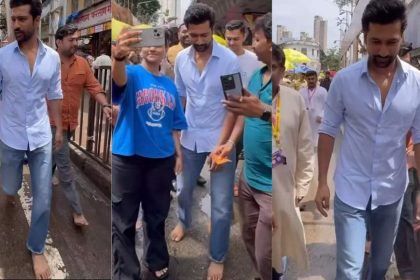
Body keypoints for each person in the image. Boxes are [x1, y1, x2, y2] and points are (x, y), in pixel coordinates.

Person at [315, 1, 420, 279]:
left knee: (380, 266)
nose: (383, 51)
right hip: (351, 189)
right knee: (350, 271)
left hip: (392, 190)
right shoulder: (344, 82)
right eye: (375, 42)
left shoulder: (416, 84)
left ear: (402, 38)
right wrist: (322, 181)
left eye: (391, 42)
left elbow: (419, 140)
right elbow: (327, 130)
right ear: (364, 37)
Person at [169, 3, 241, 280]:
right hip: (189, 138)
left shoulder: (229, 61)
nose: (199, 41)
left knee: (221, 204)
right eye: (193, 35)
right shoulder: (181, 60)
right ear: (186, 32)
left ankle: (218, 256)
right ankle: (184, 222)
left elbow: (234, 106)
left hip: (220, 141)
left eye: (204, 35)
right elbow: (180, 99)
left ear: (214, 30)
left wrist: (221, 144)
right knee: (184, 190)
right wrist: (174, 137)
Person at [112, 27, 187, 279]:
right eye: (148, 42)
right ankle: (126, 272)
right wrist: (118, 58)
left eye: (158, 43)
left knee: (156, 216)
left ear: (166, 48)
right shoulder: (131, 73)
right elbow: (118, 81)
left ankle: (156, 259)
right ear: (140, 47)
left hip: (161, 161)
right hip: (128, 158)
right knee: (124, 220)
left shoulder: (170, 86)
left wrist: (179, 153)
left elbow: (174, 125)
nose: (153, 48)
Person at [0, 0, 63, 278]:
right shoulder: (2, 57)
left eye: (21, 19)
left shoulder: (53, 58)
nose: (16, 25)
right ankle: (8, 190)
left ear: (37, 20)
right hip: (10, 134)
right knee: (10, 186)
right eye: (13, 19)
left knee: (44, 196)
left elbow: (54, 95)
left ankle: (36, 248)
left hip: (40, 135)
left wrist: (59, 129)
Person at [221, 13, 273, 280]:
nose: (254, 44)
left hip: (272, 183)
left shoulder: (282, 82)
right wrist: (230, 141)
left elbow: (292, 127)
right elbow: (243, 111)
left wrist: (263, 111)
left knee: (267, 249)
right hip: (249, 177)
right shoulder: (256, 76)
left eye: (258, 39)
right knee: (247, 234)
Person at [53, 24, 112, 226]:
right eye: (71, 40)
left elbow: (94, 86)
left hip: (72, 123)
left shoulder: (82, 65)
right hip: (52, 123)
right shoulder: (48, 63)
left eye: (76, 40)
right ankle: (77, 211)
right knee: (65, 166)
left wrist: (105, 105)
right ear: (59, 42)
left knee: (57, 154)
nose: (75, 43)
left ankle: (50, 173)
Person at [271, 44, 313, 280]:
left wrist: (303, 185)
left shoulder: (294, 99)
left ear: (283, 71)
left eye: (275, 68)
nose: (271, 73)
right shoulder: (254, 97)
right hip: (260, 183)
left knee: (282, 242)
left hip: (286, 186)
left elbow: (305, 147)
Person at [393, 42, 418, 280]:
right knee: (408, 221)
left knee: (408, 221)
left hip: (409, 167)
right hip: (404, 166)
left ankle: (410, 271)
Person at [299, 70, 328, 149]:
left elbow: (327, 106)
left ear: (316, 79)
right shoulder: (301, 92)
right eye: (309, 79)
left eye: (313, 79)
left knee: (316, 144)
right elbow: (298, 105)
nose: (311, 81)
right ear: (306, 79)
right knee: (305, 143)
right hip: (305, 120)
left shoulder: (323, 91)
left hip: (317, 121)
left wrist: (321, 115)